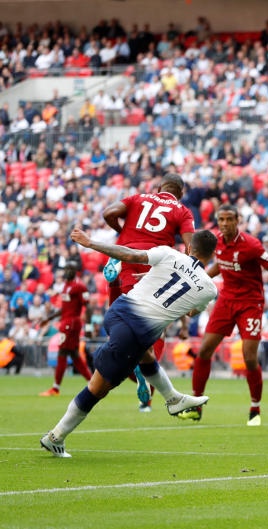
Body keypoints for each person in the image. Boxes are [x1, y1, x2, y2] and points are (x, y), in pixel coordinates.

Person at [41, 228, 217, 458]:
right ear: (212, 254)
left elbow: (131, 255)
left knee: (146, 354)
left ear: (189, 247)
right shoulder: (209, 289)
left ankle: (173, 398)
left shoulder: (169, 254)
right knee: (97, 389)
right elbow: (193, 312)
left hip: (117, 312)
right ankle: (55, 437)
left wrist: (91, 243)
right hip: (135, 332)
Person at [188, 204, 268, 426]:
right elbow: (222, 266)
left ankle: (255, 408)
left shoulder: (252, 246)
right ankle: (195, 405)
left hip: (250, 304)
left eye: (229, 219)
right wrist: (202, 278)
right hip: (226, 301)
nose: (224, 224)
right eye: (221, 219)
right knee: (204, 349)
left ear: (237, 220)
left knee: (249, 357)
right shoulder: (216, 242)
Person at [102, 173, 195, 412]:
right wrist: (186, 264)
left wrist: (121, 233)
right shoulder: (182, 211)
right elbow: (191, 245)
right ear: (181, 193)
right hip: (153, 262)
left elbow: (108, 213)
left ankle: (117, 261)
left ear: (159, 187)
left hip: (125, 254)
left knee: (119, 312)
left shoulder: (138, 198)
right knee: (154, 322)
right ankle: (146, 374)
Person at [38, 261, 93, 396]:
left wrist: (89, 327)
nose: (68, 271)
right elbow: (65, 308)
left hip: (72, 324)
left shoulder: (79, 286)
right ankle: (93, 383)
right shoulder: (66, 286)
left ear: (76, 271)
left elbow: (88, 307)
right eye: (66, 268)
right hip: (66, 322)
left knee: (62, 352)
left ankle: (55, 388)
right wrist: (49, 318)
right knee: (74, 355)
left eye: (71, 268)